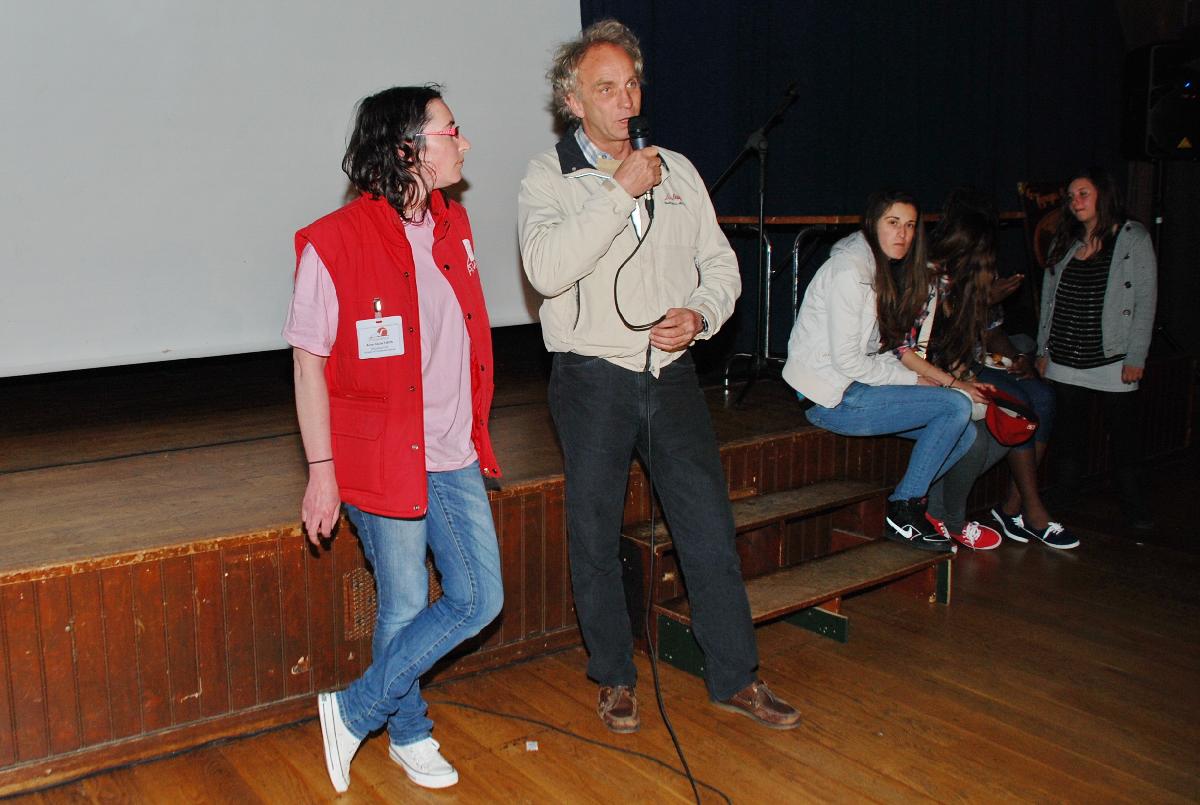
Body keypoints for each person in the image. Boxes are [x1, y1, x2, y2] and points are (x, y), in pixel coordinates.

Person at [518, 19, 800, 733]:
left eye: (633, 84)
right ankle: (614, 676)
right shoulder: (548, 176)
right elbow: (545, 270)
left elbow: (721, 265)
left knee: (707, 525)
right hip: (591, 377)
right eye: (606, 88)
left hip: (669, 373)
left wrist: (700, 315)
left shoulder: (677, 169)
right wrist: (618, 191)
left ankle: (735, 675)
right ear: (573, 101)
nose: (626, 100)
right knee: (594, 532)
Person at [284, 85, 503, 794]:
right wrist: (322, 472)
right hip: (380, 457)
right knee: (405, 604)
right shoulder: (333, 241)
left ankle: (355, 708)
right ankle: (407, 732)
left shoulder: (454, 225)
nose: (463, 144)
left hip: (453, 449)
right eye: (451, 131)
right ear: (408, 149)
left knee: (479, 598)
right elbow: (308, 363)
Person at [782, 190, 974, 552]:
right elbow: (848, 361)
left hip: (854, 388)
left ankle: (912, 502)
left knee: (964, 433)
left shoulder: (874, 266)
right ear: (873, 224)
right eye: (893, 223)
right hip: (828, 397)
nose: (903, 234)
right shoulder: (850, 272)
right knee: (956, 407)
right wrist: (914, 379)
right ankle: (903, 510)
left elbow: (876, 352)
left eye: (910, 225)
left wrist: (926, 380)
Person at [900, 189, 1076, 549]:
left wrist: (1017, 357)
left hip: (964, 368)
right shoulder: (929, 278)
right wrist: (980, 304)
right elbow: (925, 350)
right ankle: (1012, 511)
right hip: (933, 373)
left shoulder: (973, 274)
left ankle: (1012, 508)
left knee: (1037, 400)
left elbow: (987, 335)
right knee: (1005, 416)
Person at [1037, 168, 1157, 528]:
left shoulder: (1133, 238)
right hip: (1065, 356)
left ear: (1103, 195)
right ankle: (1065, 494)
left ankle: (1135, 505)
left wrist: (1136, 355)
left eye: (1083, 194)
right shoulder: (1065, 240)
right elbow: (1048, 299)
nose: (1075, 202)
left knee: (1123, 436)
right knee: (1069, 433)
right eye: (1071, 197)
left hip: (1112, 358)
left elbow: (1146, 301)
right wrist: (1043, 349)